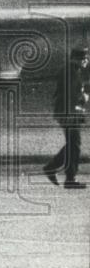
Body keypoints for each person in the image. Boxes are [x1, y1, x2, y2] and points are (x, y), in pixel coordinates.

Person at [43, 46, 89, 189]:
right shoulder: (71, 72)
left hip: (67, 112)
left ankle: (57, 169)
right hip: (68, 113)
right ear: (77, 59)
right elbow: (71, 94)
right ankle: (67, 177)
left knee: (73, 144)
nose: (86, 61)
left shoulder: (72, 70)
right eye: (84, 58)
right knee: (74, 144)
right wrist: (83, 99)